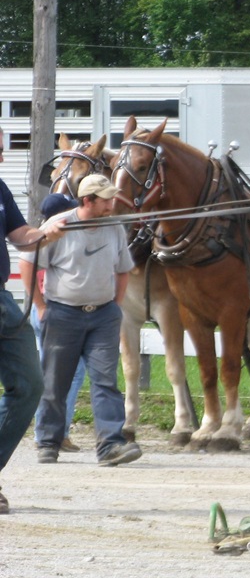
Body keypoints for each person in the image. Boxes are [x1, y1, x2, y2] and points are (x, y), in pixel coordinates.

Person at [20, 174, 140, 466]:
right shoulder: (58, 227)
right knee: (55, 381)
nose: (113, 203)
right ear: (88, 201)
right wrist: (40, 306)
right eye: (107, 199)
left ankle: (110, 445)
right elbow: (27, 262)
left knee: (105, 381)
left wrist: (116, 305)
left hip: (103, 316)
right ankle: (48, 442)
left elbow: (123, 269)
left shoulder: (114, 227)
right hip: (62, 314)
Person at [0, 125, 66, 513]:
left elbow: (19, 234)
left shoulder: (0, 189)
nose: (2, 157)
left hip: (3, 302)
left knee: (30, 385)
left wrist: (45, 233)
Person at [29, 193, 87, 453]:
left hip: (41, 309)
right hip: (55, 311)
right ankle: (56, 432)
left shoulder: (41, 238)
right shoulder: (57, 239)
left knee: (48, 372)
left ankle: (45, 431)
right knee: (71, 374)